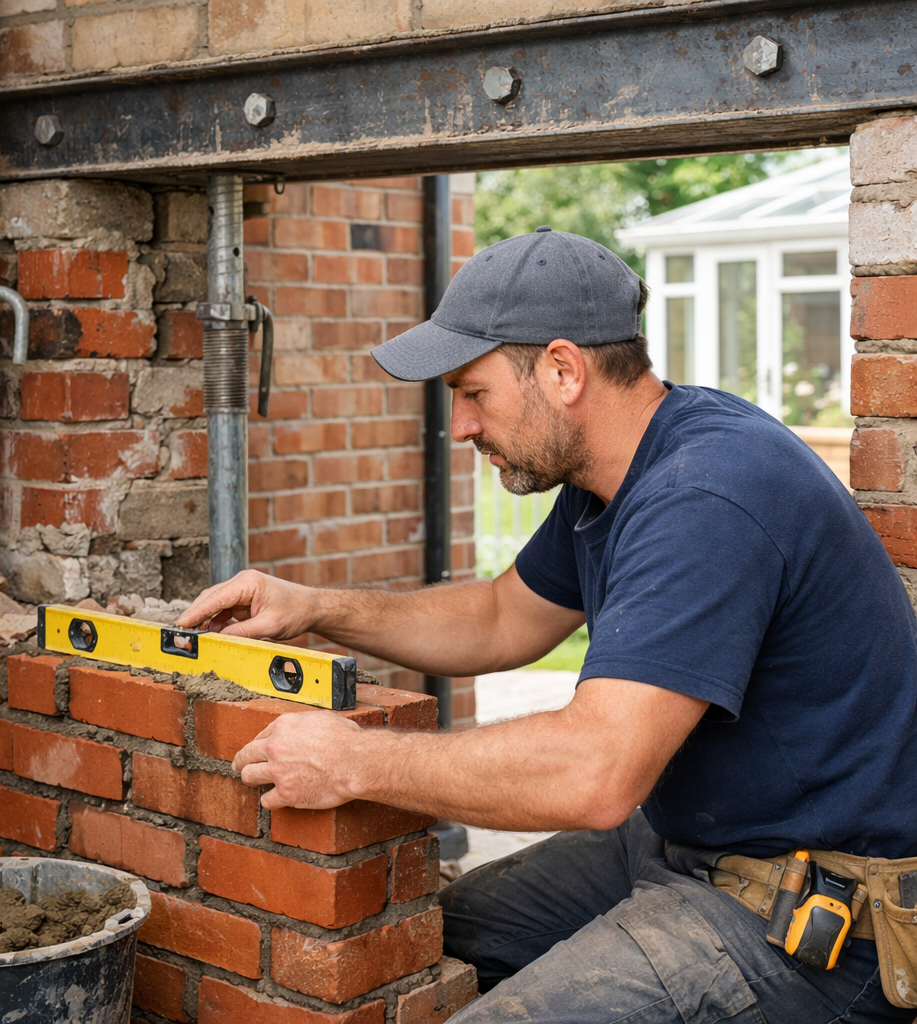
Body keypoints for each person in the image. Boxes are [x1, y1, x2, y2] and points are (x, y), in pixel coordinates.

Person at [177, 228, 917, 1024]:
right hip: (683, 846)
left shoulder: (707, 494)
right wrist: (319, 607)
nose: (460, 426)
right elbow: (499, 619)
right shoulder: (608, 475)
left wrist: (355, 761)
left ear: (564, 370)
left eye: (473, 392)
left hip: (819, 915)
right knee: (428, 936)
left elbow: (595, 772)